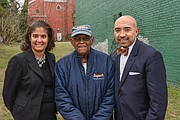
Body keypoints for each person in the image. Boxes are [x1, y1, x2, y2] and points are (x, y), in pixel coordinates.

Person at [110, 15, 168, 120]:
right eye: (117, 30)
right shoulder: (114, 55)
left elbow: (158, 101)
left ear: (136, 31)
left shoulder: (151, 56)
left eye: (127, 29)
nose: (122, 34)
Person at [55, 25, 115, 120]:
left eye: (86, 38)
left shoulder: (106, 61)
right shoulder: (62, 65)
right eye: (78, 39)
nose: (82, 42)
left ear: (92, 40)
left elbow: (110, 96)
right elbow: (62, 98)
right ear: (72, 42)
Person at [2, 20, 57, 120]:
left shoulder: (51, 58)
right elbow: (8, 94)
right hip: (27, 115)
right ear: (29, 38)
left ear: (48, 38)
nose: (39, 40)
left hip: (49, 115)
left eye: (43, 36)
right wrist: (18, 113)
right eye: (35, 36)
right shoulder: (18, 61)